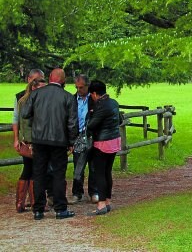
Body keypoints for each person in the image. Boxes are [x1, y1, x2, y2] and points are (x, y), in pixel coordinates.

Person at [22, 68, 78, 220]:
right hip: (59, 141)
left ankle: (38, 210)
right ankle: (60, 208)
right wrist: (72, 141)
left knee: (39, 173)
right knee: (58, 174)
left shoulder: (36, 94)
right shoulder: (68, 97)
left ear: (50, 78)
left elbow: (25, 113)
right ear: (63, 80)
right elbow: (72, 123)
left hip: (39, 140)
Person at [86, 80, 121, 216]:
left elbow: (92, 125)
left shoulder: (101, 105)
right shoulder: (114, 103)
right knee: (108, 172)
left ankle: (101, 204)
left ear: (94, 93)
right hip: (114, 140)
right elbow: (119, 120)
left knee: (99, 173)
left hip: (102, 142)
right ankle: (107, 201)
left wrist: (89, 118)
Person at [13, 74, 46, 212]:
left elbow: (17, 120)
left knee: (28, 170)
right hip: (34, 141)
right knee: (34, 171)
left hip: (26, 140)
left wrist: (17, 138)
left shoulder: (21, 100)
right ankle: (34, 202)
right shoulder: (33, 102)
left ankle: (21, 203)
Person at [70, 74, 98, 205]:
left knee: (93, 166)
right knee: (78, 167)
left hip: (92, 136)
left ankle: (94, 192)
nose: (79, 90)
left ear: (88, 86)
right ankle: (77, 192)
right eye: (77, 87)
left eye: (81, 87)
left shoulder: (94, 99)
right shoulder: (71, 99)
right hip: (78, 136)